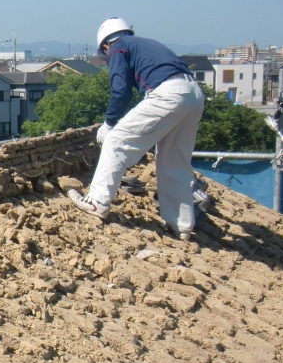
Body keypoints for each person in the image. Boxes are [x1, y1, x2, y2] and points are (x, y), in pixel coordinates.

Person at [68, 18, 204, 240]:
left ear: (105, 44)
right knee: (174, 162)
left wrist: (109, 123)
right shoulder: (146, 44)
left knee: (116, 141)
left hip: (169, 93)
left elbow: (121, 91)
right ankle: (181, 226)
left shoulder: (118, 47)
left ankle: (96, 201)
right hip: (194, 93)